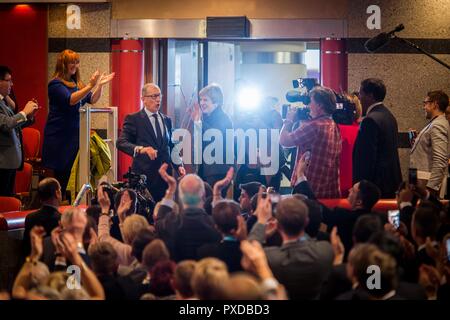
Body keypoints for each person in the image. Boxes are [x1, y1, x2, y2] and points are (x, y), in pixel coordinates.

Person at [42, 49, 114, 198]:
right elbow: (71, 100)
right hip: (59, 138)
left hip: (74, 138)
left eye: (76, 62)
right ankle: (59, 208)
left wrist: (99, 85)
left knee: (72, 175)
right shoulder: (55, 84)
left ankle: (70, 207)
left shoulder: (76, 84)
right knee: (61, 176)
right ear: (63, 64)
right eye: (71, 62)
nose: (75, 65)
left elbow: (92, 99)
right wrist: (90, 84)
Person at [249, 195, 334, 299]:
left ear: (278, 226)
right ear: (306, 221)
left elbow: (249, 251)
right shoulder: (325, 250)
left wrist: (261, 222)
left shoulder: (270, 257)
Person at [117, 83, 185, 202]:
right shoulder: (134, 119)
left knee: (164, 214)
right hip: (143, 178)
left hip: (164, 177)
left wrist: (179, 165)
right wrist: (141, 149)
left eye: (159, 96)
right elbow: (121, 142)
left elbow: (171, 146)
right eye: (153, 96)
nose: (158, 100)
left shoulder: (166, 120)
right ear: (143, 99)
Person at [280, 86, 342, 198]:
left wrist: (288, 120)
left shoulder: (314, 126)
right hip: (328, 189)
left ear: (319, 105)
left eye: (311, 102)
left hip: (308, 189)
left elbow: (284, 141)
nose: (308, 106)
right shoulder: (333, 124)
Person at [353, 78, 402, 198]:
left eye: (361, 93)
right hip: (392, 182)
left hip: (376, 186)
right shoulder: (389, 116)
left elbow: (366, 159)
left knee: (374, 217)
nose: (358, 97)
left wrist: (360, 187)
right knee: (391, 216)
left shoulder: (370, 120)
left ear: (370, 96)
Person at [0, 65, 39, 196]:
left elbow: (14, 126)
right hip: (2, 162)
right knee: (4, 203)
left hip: (9, 162)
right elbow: (7, 124)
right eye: (9, 80)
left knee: (8, 200)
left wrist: (29, 116)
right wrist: (23, 112)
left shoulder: (3, 103)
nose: (12, 84)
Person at [191, 83, 233, 190]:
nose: (202, 103)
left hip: (217, 172)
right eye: (201, 100)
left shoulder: (223, 118)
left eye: (205, 100)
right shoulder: (206, 117)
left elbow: (213, 136)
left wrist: (198, 122)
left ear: (216, 102)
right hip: (205, 170)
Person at [410, 90, 450, 197]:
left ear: (435, 104)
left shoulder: (438, 125)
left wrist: (431, 188)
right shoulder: (435, 123)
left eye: (425, 103)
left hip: (426, 184)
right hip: (420, 182)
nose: (423, 107)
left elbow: (440, 159)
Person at [23, 178, 62, 256]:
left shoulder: (30, 218)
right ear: (57, 193)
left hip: (33, 262)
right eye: (60, 190)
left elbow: (25, 248)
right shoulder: (61, 219)